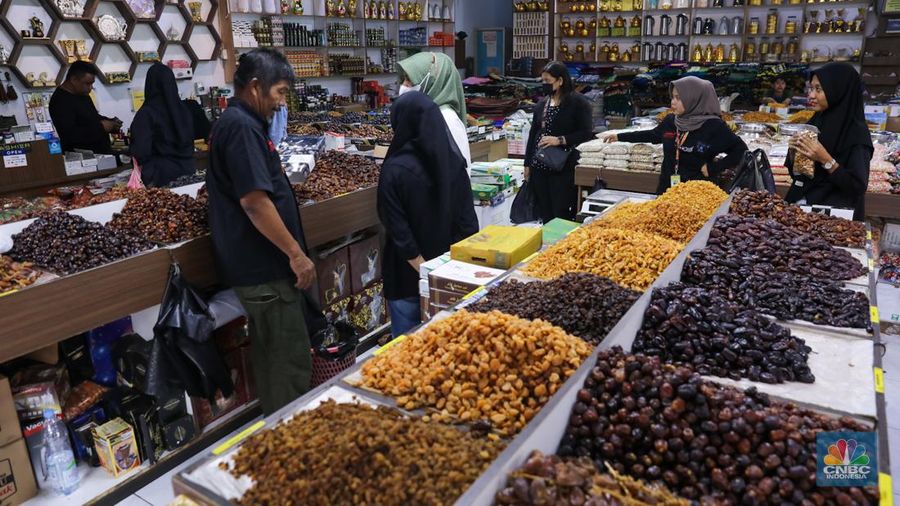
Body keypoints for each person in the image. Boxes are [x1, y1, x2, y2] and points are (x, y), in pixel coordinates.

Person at [205, 48, 316, 415]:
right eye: (280, 92)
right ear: (255, 87)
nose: (281, 103)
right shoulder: (240, 127)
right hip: (264, 272)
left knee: (278, 360)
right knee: (287, 364)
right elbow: (255, 202)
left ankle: (282, 434)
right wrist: (296, 254)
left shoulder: (246, 124)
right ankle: (289, 445)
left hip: (263, 270)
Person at [378, 91, 478, 337]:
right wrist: (445, 277)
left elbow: (400, 235)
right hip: (451, 278)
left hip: (405, 278)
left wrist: (426, 275)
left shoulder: (394, 169)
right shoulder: (453, 164)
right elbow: (468, 225)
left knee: (408, 353)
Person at [602, 76, 747, 194]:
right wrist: (620, 137)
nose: (672, 103)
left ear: (694, 99)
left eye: (678, 98)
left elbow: (741, 150)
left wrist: (714, 168)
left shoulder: (713, 126)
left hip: (697, 193)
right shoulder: (672, 121)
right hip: (667, 188)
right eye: (672, 97)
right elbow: (653, 135)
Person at [786, 63, 873, 221]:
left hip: (835, 218)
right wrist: (793, 152)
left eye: (818, 89)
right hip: (805, 209)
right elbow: (799, 174)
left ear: (838, 90)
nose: (811, 95)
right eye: (811, 89)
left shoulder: (856, 134)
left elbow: (856, 187)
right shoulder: (817, 120)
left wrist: (826, 160)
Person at [523, 61, 594, 222]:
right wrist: (527, 164)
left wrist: (560, 140)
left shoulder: (578, 103)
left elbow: (586, 133)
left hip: (563, 167)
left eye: (548, 81)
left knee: (561, 210)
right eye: (543, 81)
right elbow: (534, 134)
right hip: (540, 166)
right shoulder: (542, 104)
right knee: (544, 211)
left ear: (560, 81)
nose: (544, 85)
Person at [397, 52, 471, 170]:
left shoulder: (447, 119)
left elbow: (458, 175)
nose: (404, 85)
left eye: (410, 79)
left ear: (433, 81)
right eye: (404, 79)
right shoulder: (424, 114)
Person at [130, 63, 195, 187]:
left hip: (161, 176)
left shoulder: (147, 114)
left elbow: (141, 151)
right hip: (188, 171)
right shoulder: (184, 110)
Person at [49, 61, 121, 154]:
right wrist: (101, 127)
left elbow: (91, 117)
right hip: (81, 157)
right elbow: (70, 135)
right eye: (87, 83)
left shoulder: (82, 93)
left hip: (101, 151)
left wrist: (111, 122)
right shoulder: (60, 101)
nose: (90, 88)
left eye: (92, 83)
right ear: (74, 79)